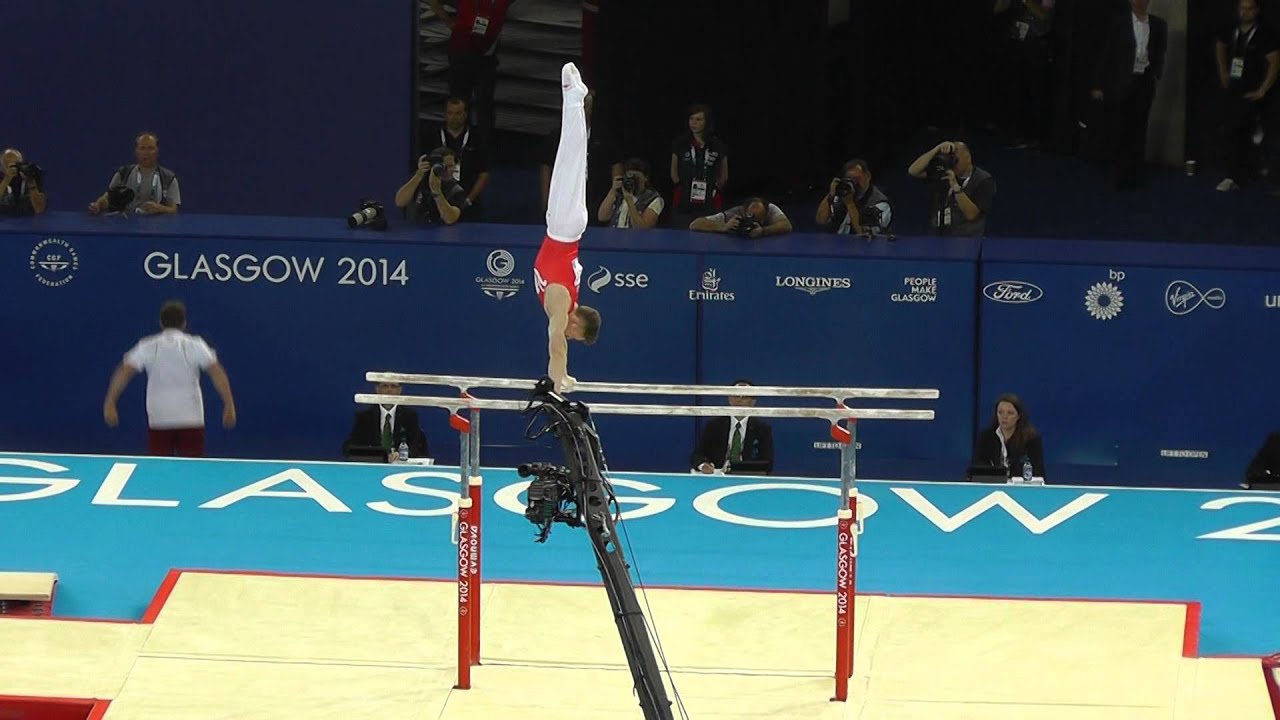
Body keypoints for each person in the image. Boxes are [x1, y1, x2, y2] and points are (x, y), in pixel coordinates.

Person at [534, 63, 603, 393]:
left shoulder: (567, 298)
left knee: (575, 156)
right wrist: (556, 376)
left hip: (567, 226)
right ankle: (575, 99)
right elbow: (555, 340)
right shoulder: (561, 300)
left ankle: (577, 102)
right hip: (563, 227)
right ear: (576, 322)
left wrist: (563, 374)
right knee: (572, 154)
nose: (568, 337)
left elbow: (559, 339)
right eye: (574, 335)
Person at [103, 300, 236, 457]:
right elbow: (216, 372)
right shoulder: (196, 345)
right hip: (191, 419)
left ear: (161, 322)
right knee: (192, 471)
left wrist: (110, 401)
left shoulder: (147, 346)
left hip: (159, 418)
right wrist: (229, 403)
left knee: (159, 472)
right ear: (184, 323)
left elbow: (124, 372)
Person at [1091, 0, 1168, 190]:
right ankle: (1122, 175)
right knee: (1122, 129)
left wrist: (1156, 72)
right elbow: (1106, 53)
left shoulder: (1158, 24)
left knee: (1139, 130)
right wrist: (1098, 84)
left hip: (1144, 82)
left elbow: (1160, 50)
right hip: (1123, 81)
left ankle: (1136, 174)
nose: (1139, 2)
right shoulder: (1119, 22)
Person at [690, 380, 774, 474]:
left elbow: (768, 462)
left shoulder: (762, 428)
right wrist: (703, 465)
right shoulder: (714, 425)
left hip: (745, 475)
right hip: (717, 474)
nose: (739, 400)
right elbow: (697, 455)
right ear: (729, 398)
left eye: (744, 397)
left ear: (753, 402)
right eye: (736, 395)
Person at [88, 132, 182, 215]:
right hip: (126, 226)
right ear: (136, 151)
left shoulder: (168, 178)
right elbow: (107, 198)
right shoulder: (123, 173)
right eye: (142, 148)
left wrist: (161, 209)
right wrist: (97, 205)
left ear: (157, 151)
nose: (146, 153)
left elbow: (174, 210)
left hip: (156, 228)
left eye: (150, 148)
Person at [342, 381, 430, 463]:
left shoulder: (410, 416)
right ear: (377, 389)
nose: (389, 390)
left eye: (393, 386)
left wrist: (402, 454)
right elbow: (350, 447)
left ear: (400, 390)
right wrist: (379, 456)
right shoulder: (364, 417)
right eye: (384, 386)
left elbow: (416, 445)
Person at [972, 393, 1045, 479]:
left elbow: (1038, 472)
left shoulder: (1031, 439)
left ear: (1018, 416)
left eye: (1010, 413)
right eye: (1000, 412)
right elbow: (977, 468)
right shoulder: (986, 437)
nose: (1004, 417)